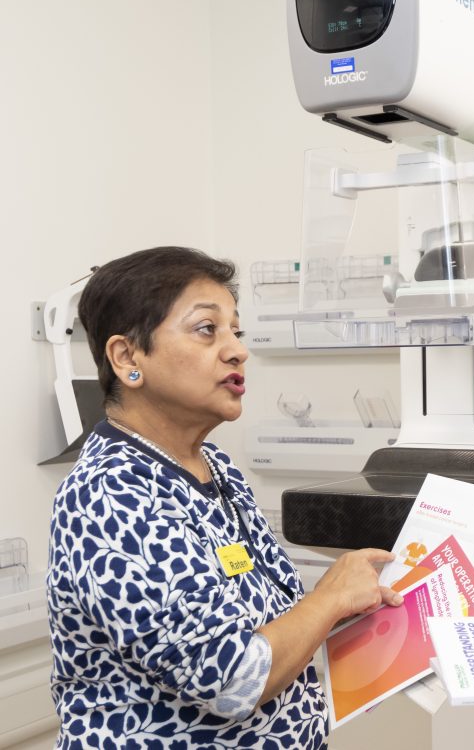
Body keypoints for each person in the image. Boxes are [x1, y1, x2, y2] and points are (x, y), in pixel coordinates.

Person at [46, 246, 402, 748]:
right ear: (127, 357)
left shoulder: (215, 467)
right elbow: (235, 679)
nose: (237, 351)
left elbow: (264, 622)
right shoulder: (108, 495)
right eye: (206, 329)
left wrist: (350, 602)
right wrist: (331, 596)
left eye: (238, 332)